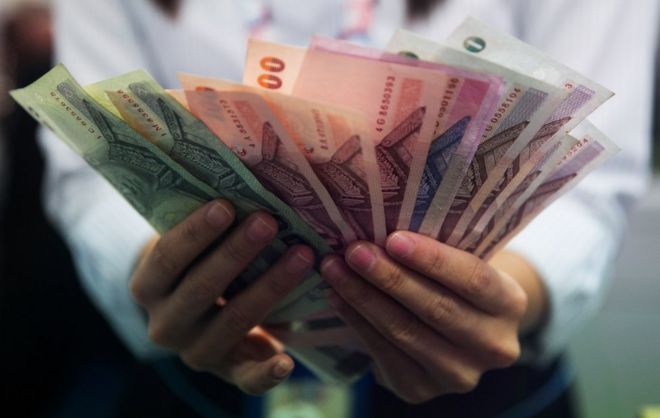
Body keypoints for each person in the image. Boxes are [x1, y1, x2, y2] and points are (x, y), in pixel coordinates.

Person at [38, 0, 659, 416]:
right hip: (204, 371)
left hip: (485, 373)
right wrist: (164, 273)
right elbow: (85, 167)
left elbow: (597, 181)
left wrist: (500, 296)